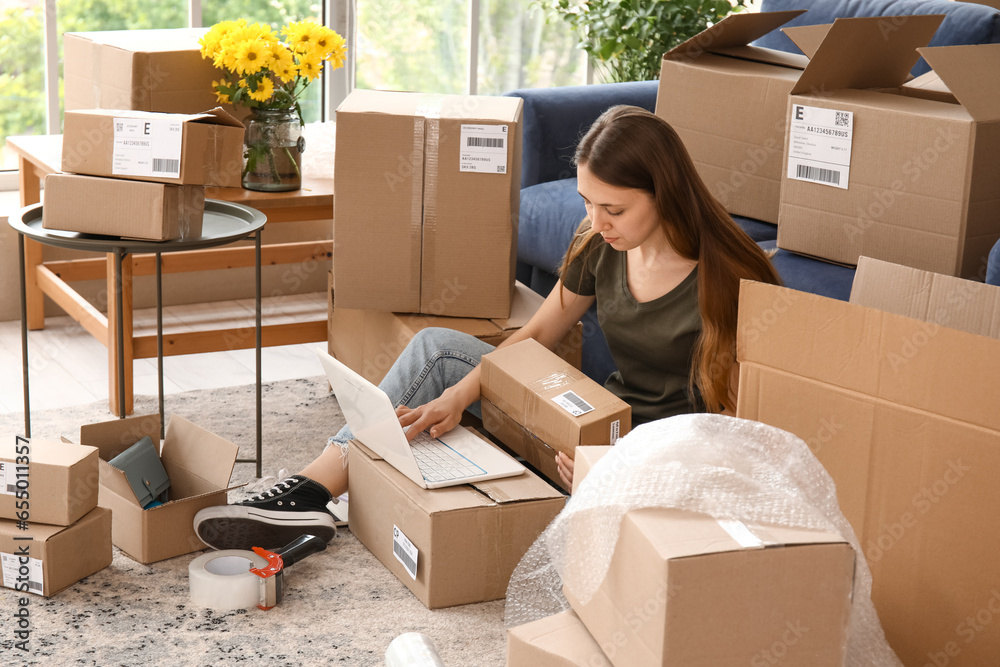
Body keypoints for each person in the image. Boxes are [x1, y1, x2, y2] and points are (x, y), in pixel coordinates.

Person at [193, 105, 782, 551]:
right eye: (587, 202)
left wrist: (620, 462)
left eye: (615, 209)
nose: (597, 222)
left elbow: (739, 427)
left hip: (652, 455)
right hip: (591, 418)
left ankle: (317, 495)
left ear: (666, 193)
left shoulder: (732, 278)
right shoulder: (599, 245)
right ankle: (312, 490)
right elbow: (538, 336)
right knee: (439, 353)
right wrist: (462, 393)